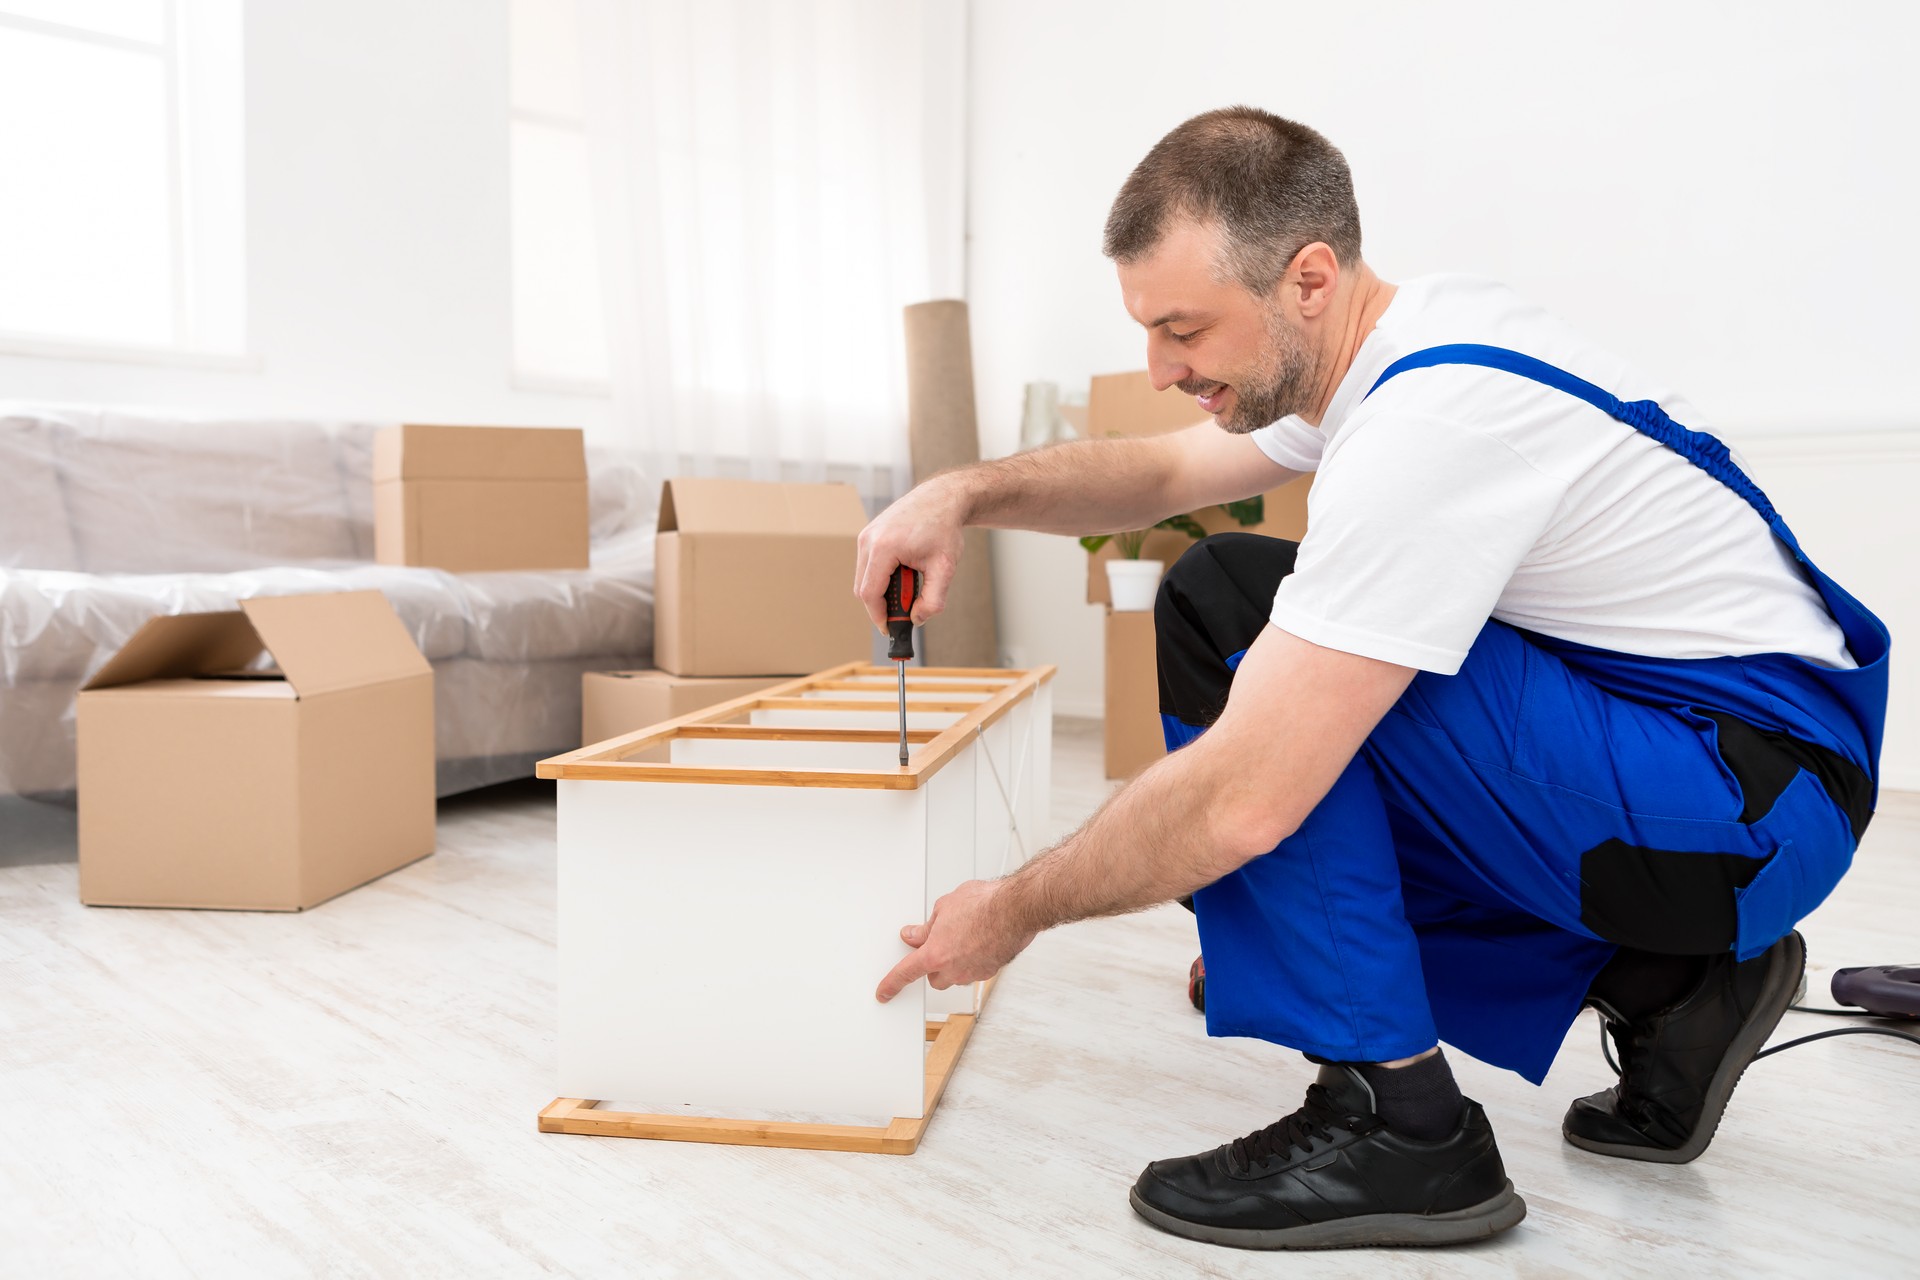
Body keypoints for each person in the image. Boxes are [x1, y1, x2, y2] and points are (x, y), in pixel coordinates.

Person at [854, 106, 1888, 1252]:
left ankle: (1400, 1123)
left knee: (1232, 620)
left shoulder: (1429, 424)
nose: (1157, 368)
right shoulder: (1400, 338)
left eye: (1183, 329)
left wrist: (1010, 910)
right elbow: (1158, 470)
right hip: (1741, 772)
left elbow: (1247, 798)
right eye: (1148, 329)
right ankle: (1671, 986)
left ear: (1307, 276)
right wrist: (961, 492)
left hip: (1738, 803)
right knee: (1260, 818)